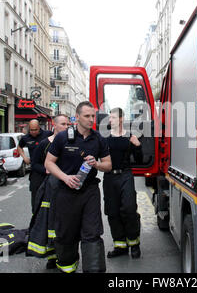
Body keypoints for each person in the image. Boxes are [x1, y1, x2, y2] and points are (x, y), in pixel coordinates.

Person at [45, 101, 112, 273]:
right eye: (87, 116)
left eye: (93, 116)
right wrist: (65, 178)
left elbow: (108, 165)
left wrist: (96, 164)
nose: (91, 120)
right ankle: (67, 268)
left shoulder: (98, 139)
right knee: (66, 234)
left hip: (89, 192)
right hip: (66, 193)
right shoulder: (62, 137)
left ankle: (94, 270)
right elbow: (49, 163)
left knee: (92, 234)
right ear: (77, 117)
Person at [103, 107, 142, 259]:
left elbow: (139, 160)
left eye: (112, 117)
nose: (110, 120)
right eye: (109, 117)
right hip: (109, 177)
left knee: (129, 209)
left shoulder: (130, 137)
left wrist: (138, 146)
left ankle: (134, 244)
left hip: (126, 175)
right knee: (112, 212)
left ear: (121, 119)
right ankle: (120, 246)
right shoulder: (104, 138)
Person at [30, 114, 69, 212]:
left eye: (68, 124)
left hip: (61, 185)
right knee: (40, 213)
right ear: (54, 125)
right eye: (63, 124)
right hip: (42, 183)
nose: (66, 127)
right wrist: (46, 170)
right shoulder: (44, 144)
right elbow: (34, 164)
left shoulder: (71, 144)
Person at [18, 119, 52, 211]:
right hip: (35, 169)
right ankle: (35, 217)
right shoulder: (26, 138)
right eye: (31, 130)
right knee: (35, 195)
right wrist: (24, 157)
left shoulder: (47, 134)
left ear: (39, 128)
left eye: (35, 130)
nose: (33, 132)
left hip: (48, 167)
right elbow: (19, 147)